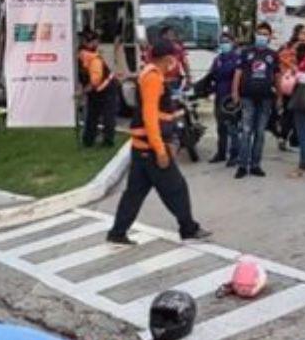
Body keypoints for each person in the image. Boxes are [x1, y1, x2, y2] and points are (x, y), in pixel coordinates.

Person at [108, 39, 211, 245]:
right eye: (173, 57)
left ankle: (118, 232)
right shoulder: (153, 78)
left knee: (135, 193)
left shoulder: (149, 74)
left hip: (142, 147)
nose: (175, 61)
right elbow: (150, 116)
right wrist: (160, 149)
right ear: (166, 58)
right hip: (151, 148)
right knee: (177, 188)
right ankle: (188, 228)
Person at [232, 20, 280, 179]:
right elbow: (238, 73)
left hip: (266, 98)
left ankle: (255, 165)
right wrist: (235, 92)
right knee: (246, 131)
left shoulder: (273, 55)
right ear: (255, 35)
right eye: (260, 34)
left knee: (260, 133)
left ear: (270, 37)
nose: (262, 37)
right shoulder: (246, 52)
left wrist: (279, 96)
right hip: (247, 97)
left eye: (265, 34)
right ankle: (242, 165)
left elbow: (277, 77)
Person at [201, 32, 242, 166]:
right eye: (222, 41)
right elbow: (212, 76)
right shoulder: (218, 59)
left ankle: (235, 154)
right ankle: (221, 152)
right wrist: (205, 89)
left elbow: (238, 77)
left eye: (227, 41)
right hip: (219, 95)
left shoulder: (237, 59)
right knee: (220, 126)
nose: (224, 44)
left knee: (232, 126)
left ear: (233, 43)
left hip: (230, 97)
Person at [78, 34, 117, 148]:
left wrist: (82, 92)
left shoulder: (94, 60)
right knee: (92, 115)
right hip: (98, 89)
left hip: (107, 88)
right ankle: (88, 141)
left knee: (106, 116)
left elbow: (95, 81)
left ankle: (107, 141)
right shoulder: (87, 59)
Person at [289, 41, 305, 179]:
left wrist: (297, 73)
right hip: (303, 98)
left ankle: (302, 166)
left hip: (304, 98)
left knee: (304, 135)